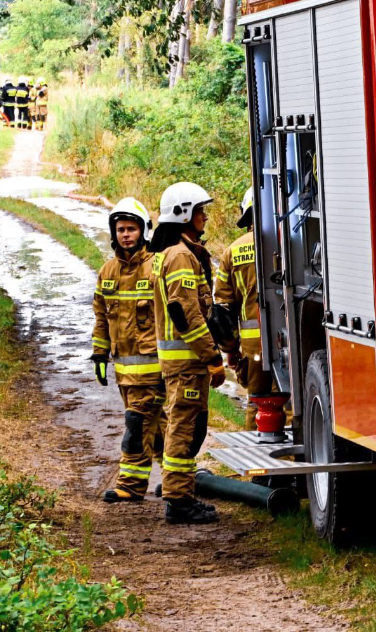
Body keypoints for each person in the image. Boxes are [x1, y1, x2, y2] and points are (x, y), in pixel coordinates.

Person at [147, 182, 232, 524]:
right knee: (183, 428)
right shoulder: (181, 256)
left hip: (183, 361)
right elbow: (188, 313)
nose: (206, 217)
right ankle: (178, 501)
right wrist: (212, 358)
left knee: (190, 427)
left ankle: (181, 494)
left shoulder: (173, 252)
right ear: (184, 214)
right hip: (187, 362)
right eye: (200, 211)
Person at [90, 198, 166, 503]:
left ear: (143, 231)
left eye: (131, 229)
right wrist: (99, 353)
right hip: (124, 372)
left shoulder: (157, 267)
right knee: (157, 428)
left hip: (154, 370)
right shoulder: (107, 271)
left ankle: (131, 486)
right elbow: (100, 317)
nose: (125, 235)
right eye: (120, 229)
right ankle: (180, 478)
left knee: (137, 426)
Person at [210, 190, 269, 427]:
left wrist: (230, 350)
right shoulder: (296, 241)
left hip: (253, 348)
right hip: (296, 345)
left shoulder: (233, 251)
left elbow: (223, 307)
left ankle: (258, 459)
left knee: (258, 403)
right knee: (295, 406)